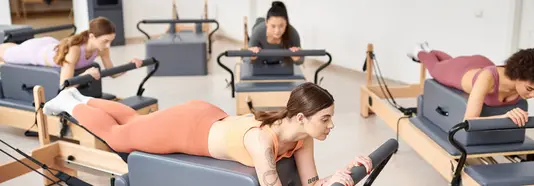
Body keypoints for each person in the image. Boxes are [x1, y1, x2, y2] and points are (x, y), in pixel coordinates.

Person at [42, 82, 373, 186]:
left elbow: (310, 184)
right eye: (326, 119)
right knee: (119, 136)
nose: (331, 126)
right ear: (301, 117)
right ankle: (70, 104)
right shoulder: (261, 141)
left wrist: (337, 177)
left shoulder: (303, 137)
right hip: (189, 128)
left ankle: (81, 97)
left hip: (211, 115)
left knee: (133, 123)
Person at [407, 42, 534, 126]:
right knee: (436, 67)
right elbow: (469, 120)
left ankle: (432, 50)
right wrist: (504, 117)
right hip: (462, 72)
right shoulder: (487, 79)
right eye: (529, 90)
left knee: (449, 61)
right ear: (517, 75)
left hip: (481, 62)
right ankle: (421, 51)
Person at [0, 17, 143, 87]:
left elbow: (112, 73)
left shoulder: (102, 49)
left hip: (52, 44)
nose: (108, 45)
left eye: (111, 41)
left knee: (11, 47)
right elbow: (64, 85)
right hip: (37, 52)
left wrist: (130, 65)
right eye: (105, 41)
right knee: (6, 52)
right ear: (92, 37)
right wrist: (85, 75)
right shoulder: (74, 51)